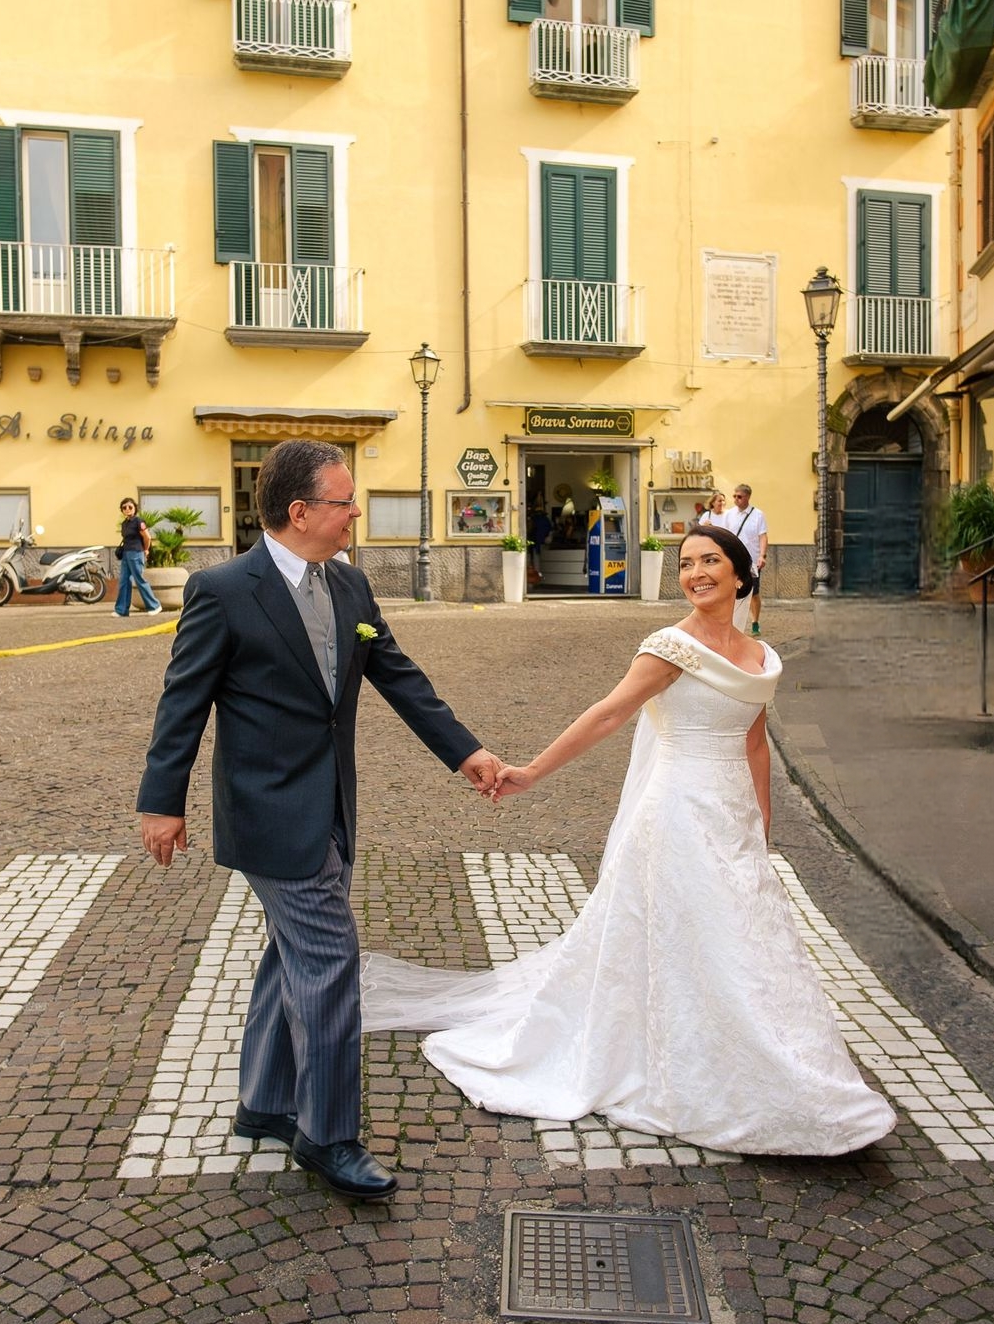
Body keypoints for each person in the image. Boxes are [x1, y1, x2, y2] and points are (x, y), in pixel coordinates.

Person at [361, 524, 895, 1157]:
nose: (696, 573)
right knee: (688, 933)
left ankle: (760, 1058)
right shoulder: (671, 646)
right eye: (687, 563)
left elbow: (754, 744)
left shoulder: (760, 655)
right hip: (673, 810)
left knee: (740, 935)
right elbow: (609, 714)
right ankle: (684, 1063)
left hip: (729, 817)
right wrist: (529, 772)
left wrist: (760, 832)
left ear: (741, 571)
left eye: (710, 561)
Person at [137, 441, 501, 1200]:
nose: (355, 513)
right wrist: (161, 801)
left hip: (331, 801)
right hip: (269, 812)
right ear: (300, 512)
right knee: (331, 964)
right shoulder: (223, 589)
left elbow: (400, 678)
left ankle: (265, 1103)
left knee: (291, 955)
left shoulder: (351, 588)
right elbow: (184, 703)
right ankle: (327, 1136)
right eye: (344, 501)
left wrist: (464, 753)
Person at [724, 482, 768, 636]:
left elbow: (762, 536)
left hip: (752, 561)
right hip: (733, 559)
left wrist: (762, 555)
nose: (736, 499)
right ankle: (733, 622)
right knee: (731, 591)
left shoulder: (758, 515)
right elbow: (724, 535)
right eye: (734, 496)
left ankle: (755, 622)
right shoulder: (729, 514)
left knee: (754, 592)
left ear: (748, 497)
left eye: (739, 496)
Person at [114, 498, 163, 618]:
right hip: (126, 553)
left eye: (130, 507)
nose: (127, 509)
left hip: (136, 553)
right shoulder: (125, 524)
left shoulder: (138, 521)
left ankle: (155, 606)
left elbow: (147, 537)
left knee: (139, 580)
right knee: (124, 581)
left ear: (135, 508)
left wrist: (146, 550)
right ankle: (122, 610)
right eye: (124, 507)